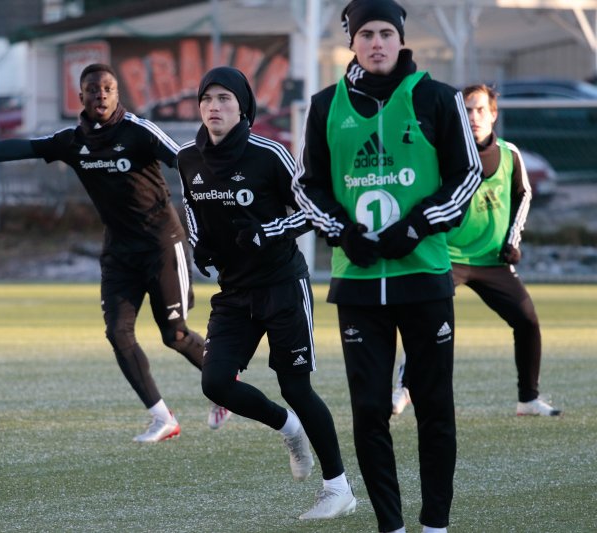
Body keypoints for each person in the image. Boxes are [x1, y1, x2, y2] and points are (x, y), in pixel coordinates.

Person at [0, 63, 231, 443]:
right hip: (118, 253)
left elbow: (186, 160)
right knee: (118, 333)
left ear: (118, 95)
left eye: (108, 89)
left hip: (162, 245)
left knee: (175, 334)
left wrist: (223, 199)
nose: (100, 95)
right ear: (79, 96)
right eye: (93, 89)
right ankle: (162, 417)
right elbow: (17, 149)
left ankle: (225, 384)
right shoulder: (70, 141)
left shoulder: (138, 132)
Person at [292, 0, 483, 531]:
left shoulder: (437, 98)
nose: (376, 42)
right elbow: (307, 187)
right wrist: (340, 231)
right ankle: (391, 526)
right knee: (371, 412)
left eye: (385, 33)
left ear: (400, 38)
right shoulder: (325, 105)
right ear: (351, 42)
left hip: (423, 278)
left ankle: (435, 524)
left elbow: (466, 177)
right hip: (356, 286)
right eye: (366, 34)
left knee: (434, 409)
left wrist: (417, 225)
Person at [177, 66, 356, 520]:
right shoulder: (186, 158)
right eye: (207, 99)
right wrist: (199, 246)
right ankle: (287, 426)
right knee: (215, 382)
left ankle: (338, 489)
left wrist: (267, 232)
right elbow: (193, 210)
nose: (214, 107)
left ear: (243, 107)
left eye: (224, 99)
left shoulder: (269, 154)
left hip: (282, 285)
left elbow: (313, 210)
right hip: (234, 292)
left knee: (296, 385)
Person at [391, 84, 561, 417]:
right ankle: (404, 389)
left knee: (527, 320)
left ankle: (528, 399)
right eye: (467, 109)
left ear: (493, 114)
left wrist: (512, 240)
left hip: (491, 260)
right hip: (446, 256)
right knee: (425, 322)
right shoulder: (443, 152)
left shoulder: (511, 154)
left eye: (480, 109)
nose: (473, 116)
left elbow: (522, 195)